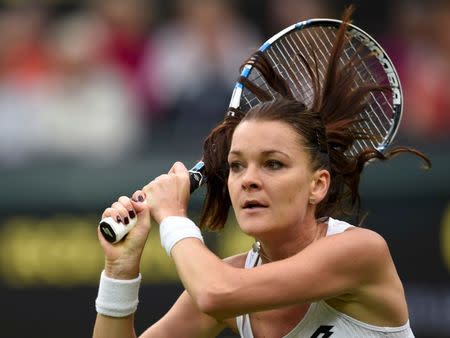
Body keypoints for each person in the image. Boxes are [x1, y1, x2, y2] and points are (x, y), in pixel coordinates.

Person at [92, 8, 430, 338]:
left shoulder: (359, 252)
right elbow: (215, 290)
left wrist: (173, 219)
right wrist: (119, 273)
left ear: (318, 185)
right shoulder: (228, 279)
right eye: (237, 165)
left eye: (273, 164)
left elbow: (214, 293)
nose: (248, 180)